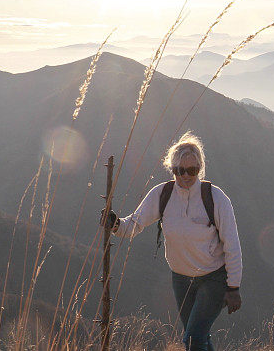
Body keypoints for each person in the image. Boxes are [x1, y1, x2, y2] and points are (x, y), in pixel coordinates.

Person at [103, 131, 242, 351]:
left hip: (213, 278)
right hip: (181, 280)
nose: (185, 176)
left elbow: (232, 245)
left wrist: (233, 287)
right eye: (179, 170)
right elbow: (135, 224)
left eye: (192, 170)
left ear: (200, 169)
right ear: (172, 168)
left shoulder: (216, 198)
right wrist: (115, 224)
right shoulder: (162, 194)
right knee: (199, 337)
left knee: (193, 338)